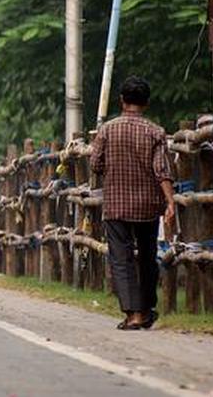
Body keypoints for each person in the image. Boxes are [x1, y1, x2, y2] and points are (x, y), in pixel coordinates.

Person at [89, 76, 176, 331]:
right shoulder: (155, 131)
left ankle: (132, 314)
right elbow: (162, 170)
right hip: (148, 205)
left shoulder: (107, 129)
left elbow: (95, 164)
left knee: (121, 258)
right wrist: (170, 202)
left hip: (116, 204)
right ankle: (146, 309)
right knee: (148, 256)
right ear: (146, 103)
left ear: (121, 101)